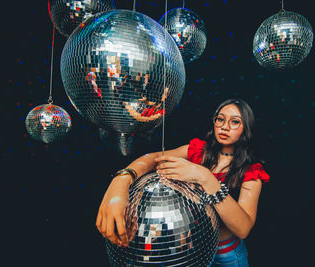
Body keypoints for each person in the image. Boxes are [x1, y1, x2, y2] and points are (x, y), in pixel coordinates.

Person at [96, 98, 270, 266]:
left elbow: (243, 228)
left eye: (235, 122)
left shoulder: (251, 172)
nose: (225, 126)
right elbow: (154, 158)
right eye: (220, 119)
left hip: (226, 255)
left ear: (246, 127)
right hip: (190, 252)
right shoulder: (198, 151)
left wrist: (206, 178)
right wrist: (123, 179)